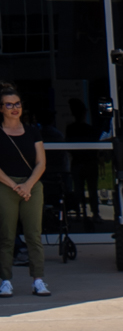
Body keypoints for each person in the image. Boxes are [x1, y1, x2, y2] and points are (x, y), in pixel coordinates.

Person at [0, 84, 48, 298]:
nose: (14, 108)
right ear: (1, 108)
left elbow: (41, 163)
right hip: (6, 186)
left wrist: (27, 185)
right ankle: (5, 281)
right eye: (9, 105)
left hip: (31, 186)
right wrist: (14, 186)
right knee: (6, 236)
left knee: (33, 235)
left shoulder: (32, 131)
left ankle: (38, 280)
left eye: (17, 104)